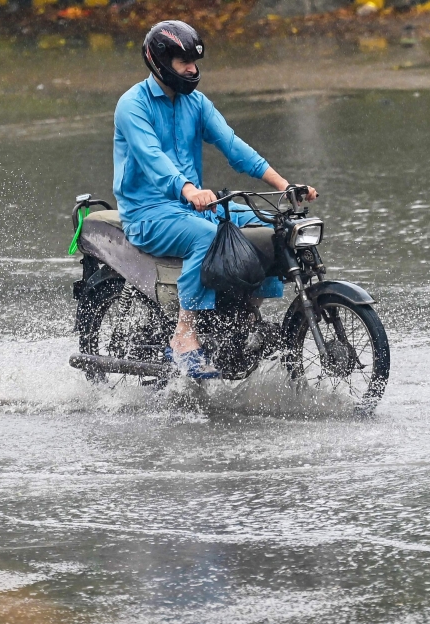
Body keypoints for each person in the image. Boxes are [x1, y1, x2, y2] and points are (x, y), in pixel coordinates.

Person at [113, 20, 317, 379]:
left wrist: (285, 185)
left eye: (194, 61)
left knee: (266, 226)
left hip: (191, 205)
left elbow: (234, 147)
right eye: (184, 62)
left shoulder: (196, 103)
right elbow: (153, 159)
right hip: (149, 213)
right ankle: (184, 334)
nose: (193, 69)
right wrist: (189, 190)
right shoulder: (133, 105)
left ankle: (244, 317)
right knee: (206, 237)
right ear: (159, 62)